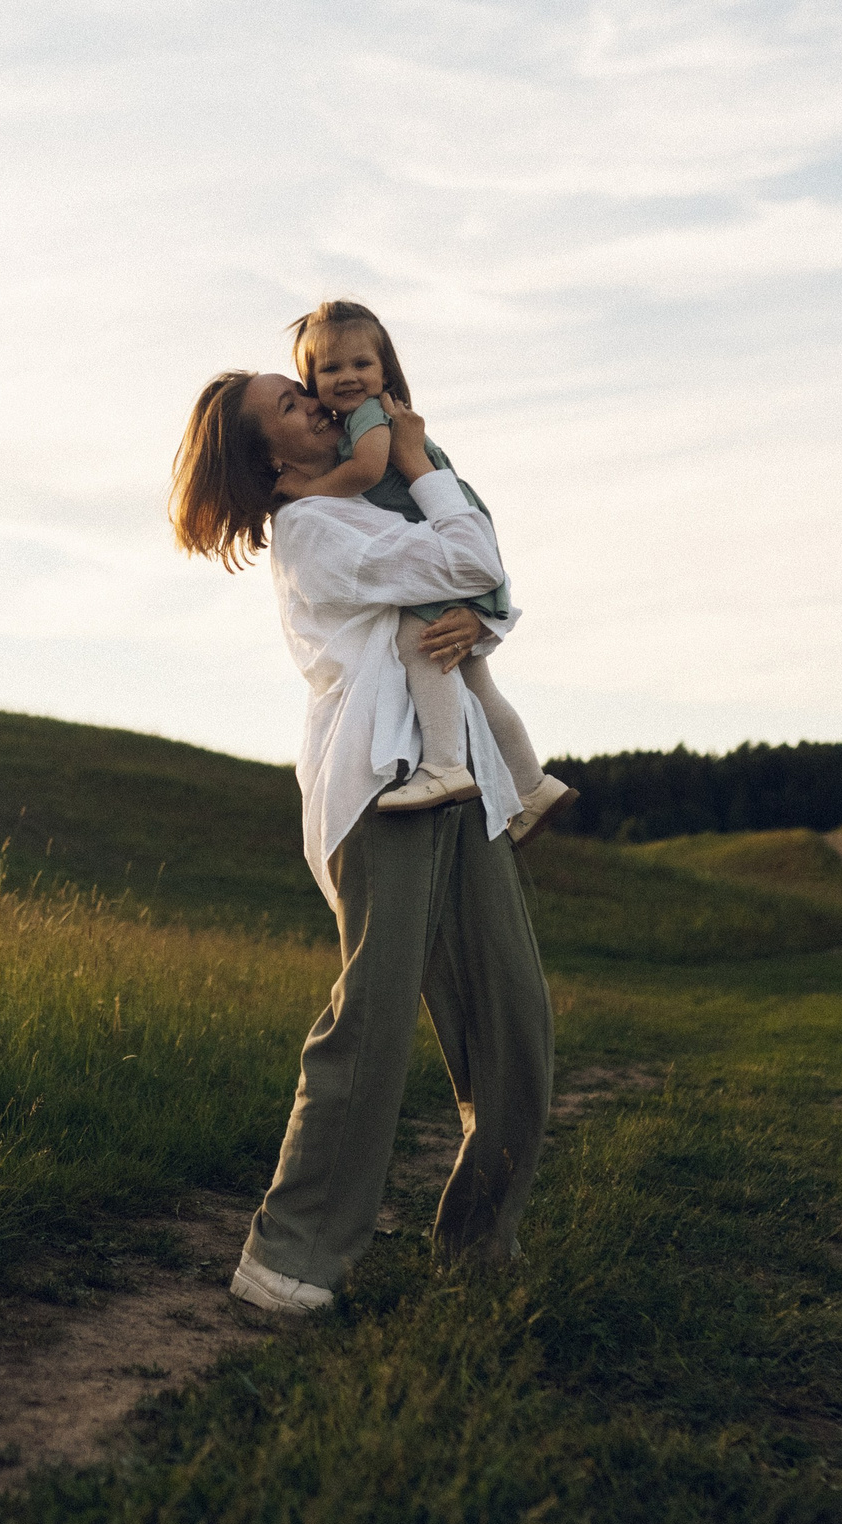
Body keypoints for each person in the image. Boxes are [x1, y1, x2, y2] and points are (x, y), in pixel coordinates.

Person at [169, 369, 554, 1312]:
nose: (318, 403)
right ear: (269, 460)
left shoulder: (365, 510)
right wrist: (419, 462)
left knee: (514, 1024)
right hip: (383, 787)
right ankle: (288, 1262)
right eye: (291, 406)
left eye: (308, 392)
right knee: (371, 1031)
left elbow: (484, 595)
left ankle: (477, 1250)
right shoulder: (311, 529)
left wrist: (474, 612)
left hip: (462, 779)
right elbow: (471, 558)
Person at [280, 301, 575, 841]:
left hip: (445, 537)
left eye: (361, 364)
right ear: (312, 381)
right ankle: (532, 785)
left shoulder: (370, 417)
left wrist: (306, 489)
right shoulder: (368, 418)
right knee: (477, 684)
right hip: (451, 534)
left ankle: (443, 765)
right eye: (331, 368)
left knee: (419, 645)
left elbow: (368, 469)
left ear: (385, 371)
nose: (348, 377)